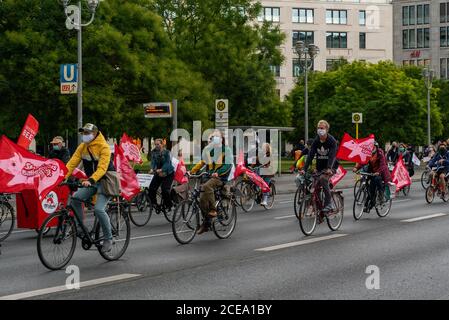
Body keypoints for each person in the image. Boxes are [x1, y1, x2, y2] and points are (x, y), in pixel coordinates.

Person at [65, 123, 116, 253]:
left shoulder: (103, 147)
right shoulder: (82, 147)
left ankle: (108, 239)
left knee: (99, 209)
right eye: (83, 133)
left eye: (87, 133)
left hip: (105, 181)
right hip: (91, 181)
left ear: (95, 134)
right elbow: (71, 164)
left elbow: (102, 168)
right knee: (75, 199)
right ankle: (81, 227)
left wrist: (91, 179)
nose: (84, 136)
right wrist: (62, 177)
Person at [190, 130, 233, 234]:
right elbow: (202, 162)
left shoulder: (226, 150)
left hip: (220, 177)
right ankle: (207, 223)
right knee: (201, 199)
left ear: (221, 139)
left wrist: (218, 173)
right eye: (212, 138)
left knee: (207, 186)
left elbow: (228, 165)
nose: (214, 139)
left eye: (216, 137)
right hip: (210, 176)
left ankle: (213, 210)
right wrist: (191, 171)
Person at [300, 120, 338, 212]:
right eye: (318, 128)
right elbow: (310, 155)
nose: (320, 130)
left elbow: (332, 156)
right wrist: (304, 169)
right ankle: (318, 207)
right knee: (314, 185)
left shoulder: (331, 141)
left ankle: (329, 204)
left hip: (331, 166)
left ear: (327, 129)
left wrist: (329, 168)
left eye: (322, 128)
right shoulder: (316, 140)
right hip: (320, 167)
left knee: (323, 179)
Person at [353, 141, 392, 212]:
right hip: (372, 172)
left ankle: (381, 196)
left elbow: (383, 165)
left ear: (376, 147)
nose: (372, 148)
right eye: (370, 147)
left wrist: (378, 172)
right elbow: (363, 161)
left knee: (377, 180)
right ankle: (369, 205)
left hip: (381, 173)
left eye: (373, 147)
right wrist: (356, 167)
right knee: (370, 189)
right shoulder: (368, 154)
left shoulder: (380, 153)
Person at [148, 139, 174, 211]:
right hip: (158, 173)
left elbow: (167, 163)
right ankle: (154, 204)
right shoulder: (153, 152)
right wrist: (152, 169)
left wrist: (162, 169)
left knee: (165, 189)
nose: (156, 146)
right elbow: (153, 162)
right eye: (155, 144)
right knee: (151, 188)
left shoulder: (167, 152)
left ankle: (169, 205)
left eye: (158, 144)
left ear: (162, 144)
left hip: (168, 173)